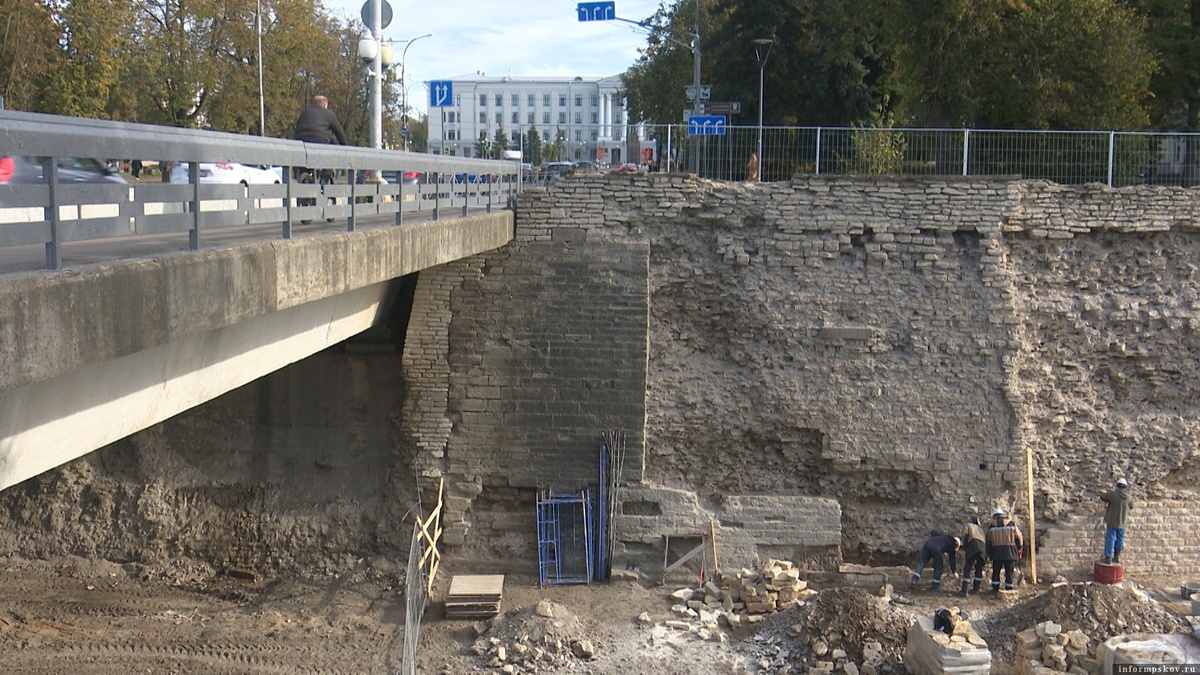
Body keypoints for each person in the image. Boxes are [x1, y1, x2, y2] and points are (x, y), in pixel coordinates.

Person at [986, 508, 1023, 592]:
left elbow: (989, 540)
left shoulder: (992, 526)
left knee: (996, 571)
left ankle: (995, 589)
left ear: (994, 516)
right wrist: (1019, 548)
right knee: (1009, 571)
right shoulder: (1011, 523)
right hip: (1010, 551)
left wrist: (988, 552)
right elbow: (1019, 537)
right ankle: (1009, 588)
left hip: (996, 551)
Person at [1100, 477, 1133, 564]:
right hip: (1122, 522)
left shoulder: (1113, 495)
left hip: (1112, 521)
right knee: (1120, 539)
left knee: (1110, 538)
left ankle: (1108, 557)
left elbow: (1103, 497)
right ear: (1125, 487)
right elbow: (1132, 506)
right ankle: (1117, 556)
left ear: (1117, 486)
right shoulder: (1129, 497)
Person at [959, 515, 987, 597]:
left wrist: (964, 547)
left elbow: (966, 536)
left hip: (973, 545)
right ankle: (976, 589)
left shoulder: (968, 526)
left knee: (967, 569)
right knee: (978, 569)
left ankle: (964, 590)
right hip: (983, 547)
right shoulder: (981, 529)